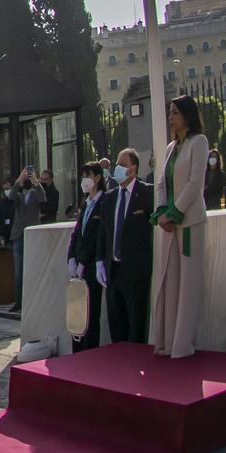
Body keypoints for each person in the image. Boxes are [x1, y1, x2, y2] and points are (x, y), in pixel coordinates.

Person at [152, 96, 210, 359]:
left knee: (188, 285)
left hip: (190, 223)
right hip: (170, 226)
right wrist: (162, 211)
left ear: (187, 115)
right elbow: (163, 184)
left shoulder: (199, 142)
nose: (170, 116)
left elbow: (195, 183)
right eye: (169, 112)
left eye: (175, 112)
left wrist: (175, 212)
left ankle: (182, 346)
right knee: (170, 281)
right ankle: (166, 342)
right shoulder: (170, 148)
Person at [97, 148, 154, 345]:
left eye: (122, 165)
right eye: (117, 164)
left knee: (136, 325)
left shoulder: (147, 193)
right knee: (116, 323)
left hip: (136, 272)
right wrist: (99, 262)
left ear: (133, 169)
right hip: (113, 271)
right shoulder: (110, 197)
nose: (118, 168)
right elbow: (103, 232)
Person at [67, 160, 110, 352]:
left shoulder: (104, 201)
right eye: (83, 176)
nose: (84, 180)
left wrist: (84, 261)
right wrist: (71, 258)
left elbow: (96, 236)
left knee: (91, 313)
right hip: (79, 266)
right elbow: (77, 232)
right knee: (78, 313)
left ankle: (90, 352)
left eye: (88, 176)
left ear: (98, 178)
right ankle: (78, 350)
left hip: (93, 265)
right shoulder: (86, 202)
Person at [7, 166, 44, 313]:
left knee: (33, 268)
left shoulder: (35, 194)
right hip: (19, 235)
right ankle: (19, 301)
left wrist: (35, 181)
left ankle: (33, 300)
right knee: (18, 271)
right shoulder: (19, 195)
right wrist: (18, 181)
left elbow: (43, 197)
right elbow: (10, 196)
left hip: (33, 235)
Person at [203, 147, 226, 213]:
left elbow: (220, 192)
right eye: (211, 157)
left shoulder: (220, 174)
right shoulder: (204, 173)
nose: (212, 159)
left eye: (214, 157)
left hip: (215, 205)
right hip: (204, 204)